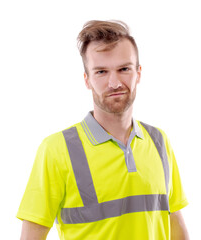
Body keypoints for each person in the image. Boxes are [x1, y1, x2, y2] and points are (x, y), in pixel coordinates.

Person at [17, 20, 189, 240]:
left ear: (138, 73)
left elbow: (176, 224)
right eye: (101, 72)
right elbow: (32, 235)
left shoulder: (159, 141)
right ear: (87, 80)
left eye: (124, 69)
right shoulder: (56, 149)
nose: (114, 82)